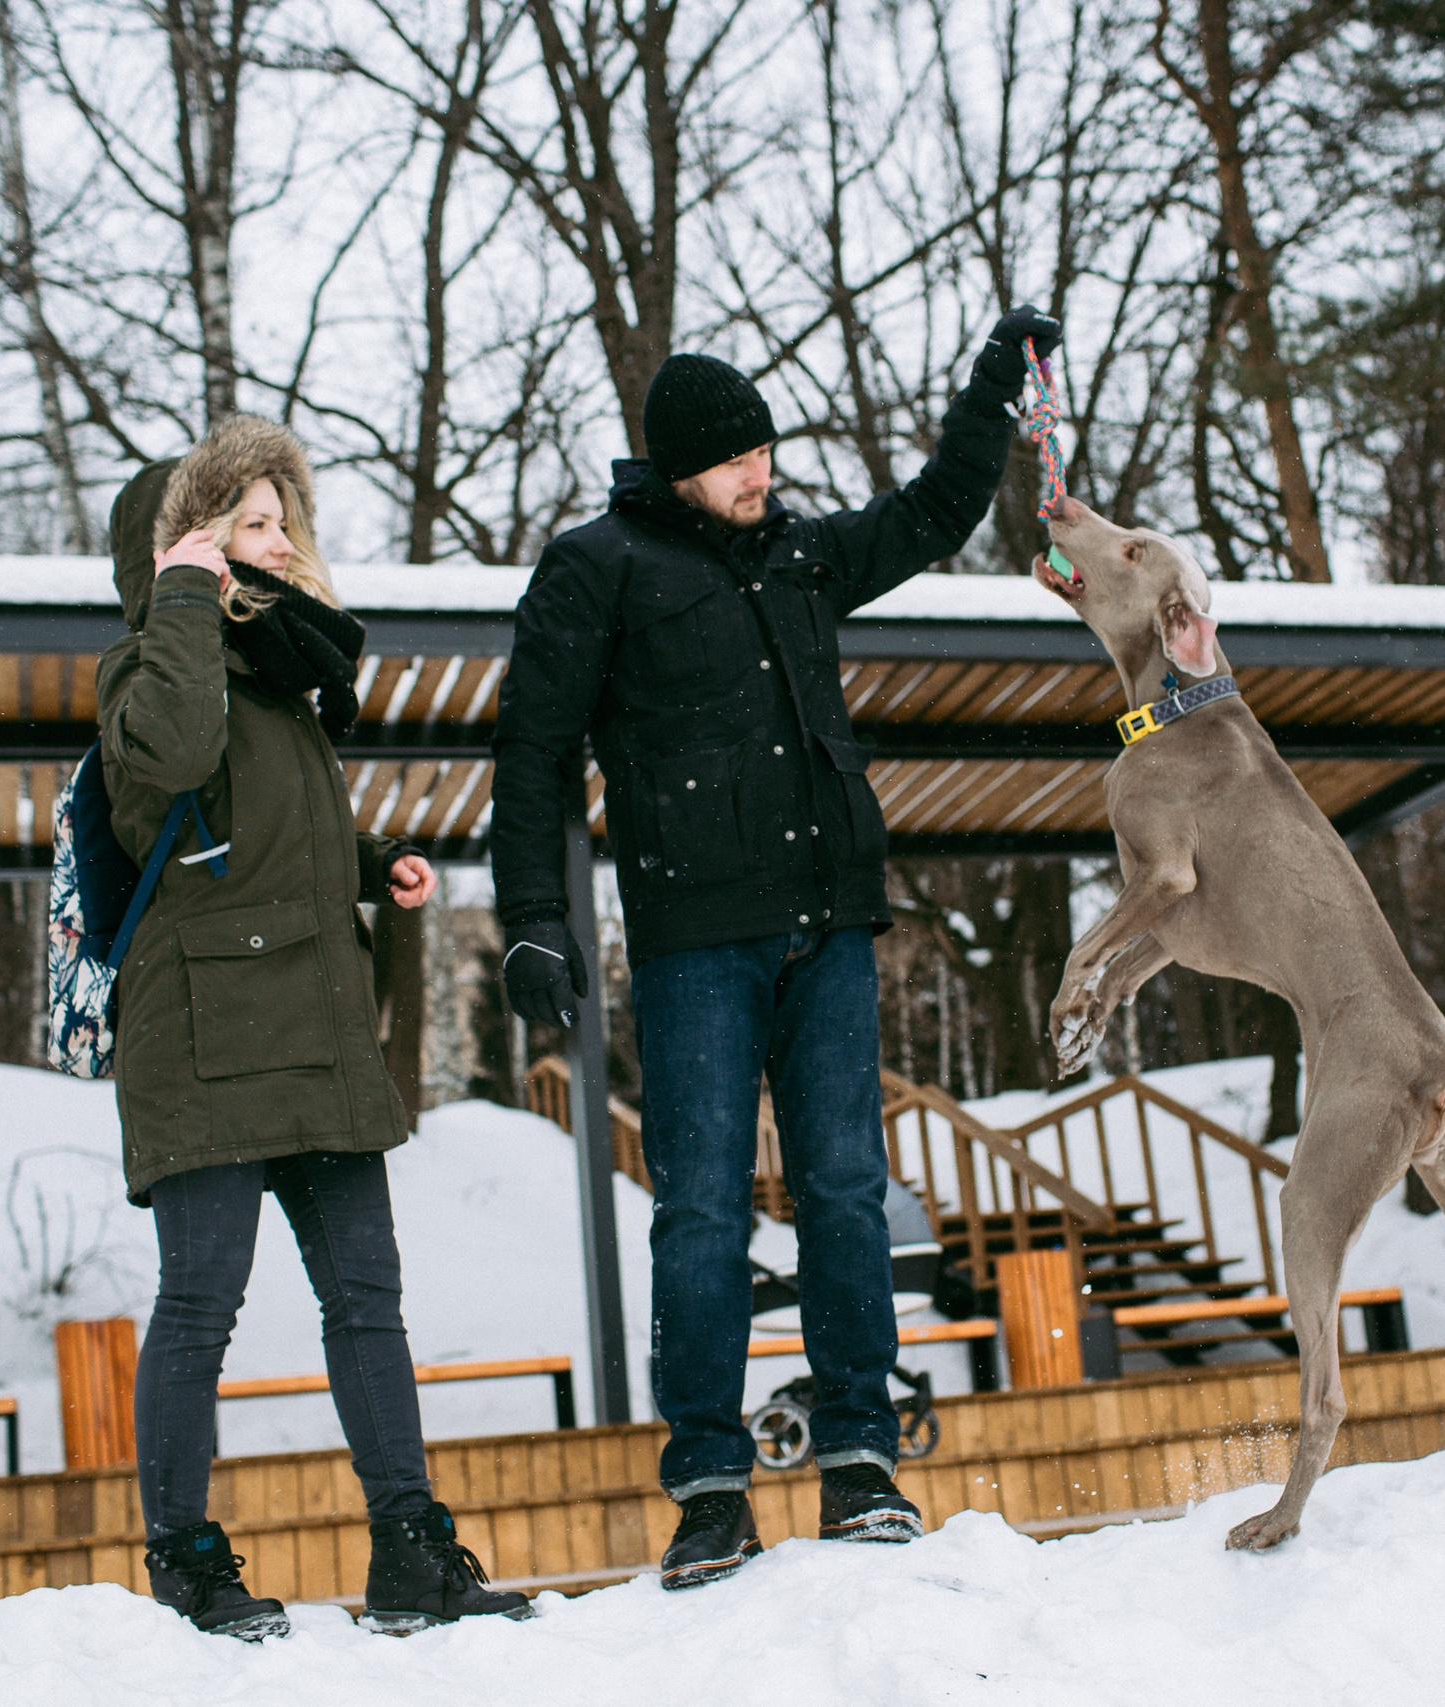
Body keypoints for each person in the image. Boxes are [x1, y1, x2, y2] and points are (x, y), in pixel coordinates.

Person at [489, 308, 1063, 1589]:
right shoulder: (600, 566)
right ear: (682, 467)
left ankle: (860, 1458)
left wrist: (990, 388)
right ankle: (706, 1484)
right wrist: (534, 918)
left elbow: (931, 510)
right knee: (698, 1209)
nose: (763, 473)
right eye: (739, 459)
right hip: (696, 938)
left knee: (845, 1192)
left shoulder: (798, 553)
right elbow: (531, 748)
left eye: (765, 451)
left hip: (830, 921)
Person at [101, 414, 529, 1638]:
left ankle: (411, 1551)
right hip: (201, 1033)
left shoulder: (278, 683)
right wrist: (181, 598)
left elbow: (268, 849)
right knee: (202, 1302)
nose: (280, 541)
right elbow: (176, 764)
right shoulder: (146, 672)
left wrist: (375, 857)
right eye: (251, 522)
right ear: (184, 547)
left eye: (285, 521)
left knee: (367, 1297)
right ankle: (184, 1564)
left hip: (312, 1018)